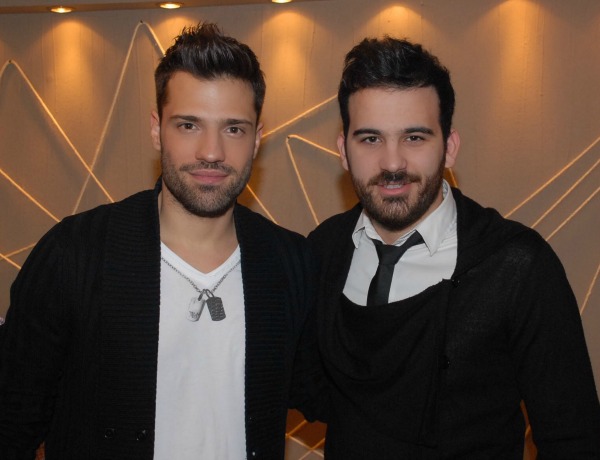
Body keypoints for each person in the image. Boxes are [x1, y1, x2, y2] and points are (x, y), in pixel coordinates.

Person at [0, 23, 320, 460]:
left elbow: (340, 394)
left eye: (233, 129)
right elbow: (12, 422)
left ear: (258, 138)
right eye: (189, 125)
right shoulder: (75, 254)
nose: (211, 152)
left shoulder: (289, 263)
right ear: (156, 130)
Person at [307, 36, 600, 458]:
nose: (392, 163)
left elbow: (573, 440)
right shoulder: (322, 253)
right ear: (343, 151)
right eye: (370, 139)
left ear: (449, 148)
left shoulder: (517, 266)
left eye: (414, 137)